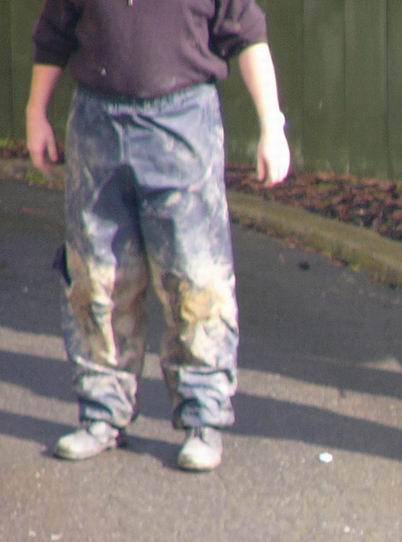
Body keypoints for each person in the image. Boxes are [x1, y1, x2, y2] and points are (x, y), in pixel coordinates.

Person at [27, 0, 290, 472]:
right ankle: (102, 416)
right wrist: (36, 112)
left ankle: (203, 421)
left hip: (183, 123)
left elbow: (248, 35)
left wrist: (272, 125)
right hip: (97, 125)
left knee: (196, 280)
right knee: (97, 279)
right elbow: (53, 36)